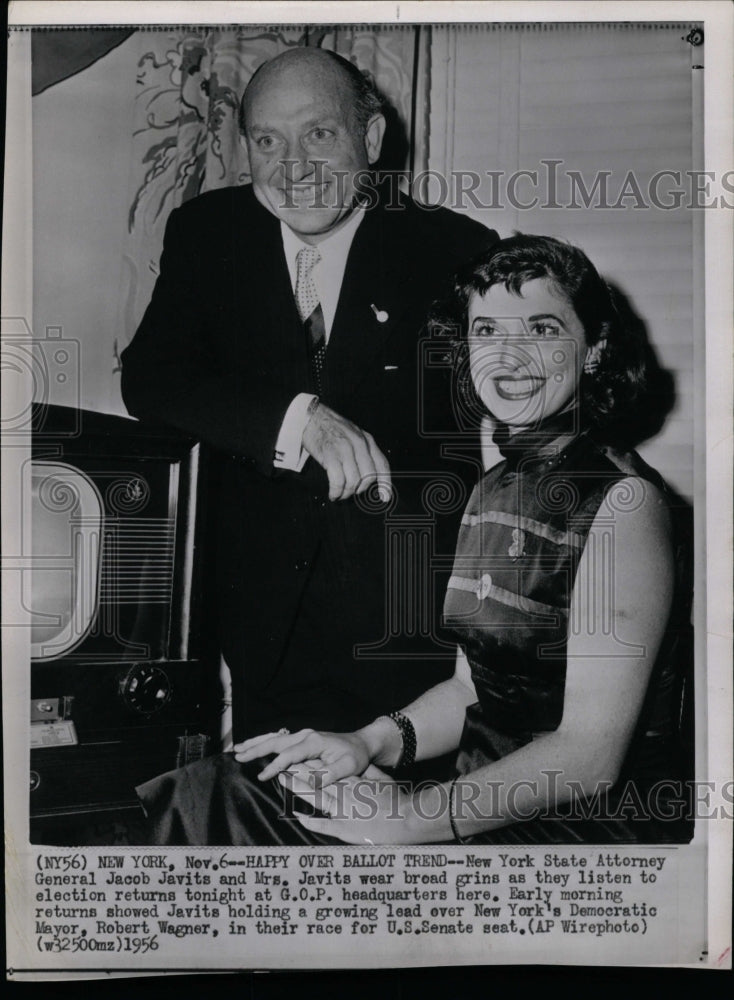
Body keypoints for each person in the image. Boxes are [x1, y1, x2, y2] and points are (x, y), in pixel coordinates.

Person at [136, 234, 693, 845]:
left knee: (240, 826)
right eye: (486, 332)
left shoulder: (624, 503)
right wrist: (367, 742)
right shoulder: (495, 487)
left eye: (540, 329)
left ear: (593, 350)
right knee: (223, 790)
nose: (508, 356)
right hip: (477, 798)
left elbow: (589, 759)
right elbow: (470, 688)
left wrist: (408, 818)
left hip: (576, 832)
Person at [120, 48, 496, 741]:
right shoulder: (209, 233)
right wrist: (301, 419)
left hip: (407, 637)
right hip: (259, 630)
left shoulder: (454, 249)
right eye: (268, 141)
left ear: (371, 139)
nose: (292, 167)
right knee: (274, 830)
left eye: (318, 134)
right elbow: (152, 378)